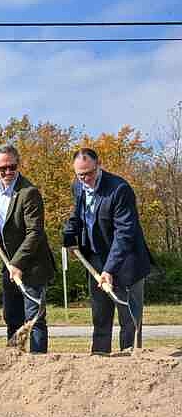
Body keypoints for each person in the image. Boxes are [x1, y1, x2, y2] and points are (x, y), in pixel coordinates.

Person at [62, 148, 153, 353]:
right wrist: (68, 237)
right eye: (80, 174)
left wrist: (110, 269)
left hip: (127, 262)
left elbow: (125, 234)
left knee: (129, 322)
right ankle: (100, 363)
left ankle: (130, 365)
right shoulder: (78, 186)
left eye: (89, 173)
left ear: (98, 165)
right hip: (96, 260)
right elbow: (77, 216)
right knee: (101, 319)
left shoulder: (119, 189)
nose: (85, 179)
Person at [0, 144, 56, 353]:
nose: (8, 172)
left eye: (12, 167)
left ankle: (37, 365)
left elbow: (34, 232)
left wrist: (18, 263)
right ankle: (14, 360)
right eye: (3, 168)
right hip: (8, 265)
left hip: (32, 265)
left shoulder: (29, 192)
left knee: (34, 319)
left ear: (19, 164)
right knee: (12, 316)